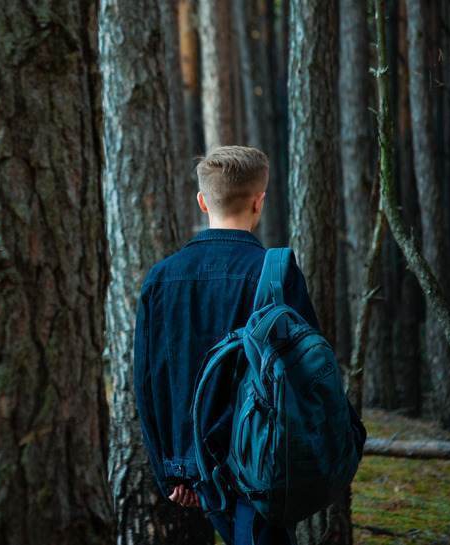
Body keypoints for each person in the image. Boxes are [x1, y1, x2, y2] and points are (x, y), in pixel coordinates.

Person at [133, 146, 321, 545]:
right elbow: (306, 374)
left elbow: (149, 384)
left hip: (196, 467)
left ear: (203, 201)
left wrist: (173, 467)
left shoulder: (161, 278)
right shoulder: (276, 272)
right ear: (260, 201)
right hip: (264, 459)